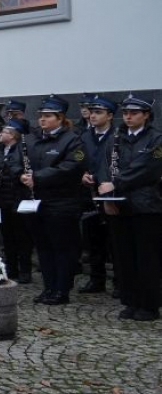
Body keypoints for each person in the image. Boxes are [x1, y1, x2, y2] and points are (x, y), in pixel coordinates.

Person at [97, 94, 162, 321]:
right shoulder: (117, 137)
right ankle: (131, 301)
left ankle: (149, 305)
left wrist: (116, 183)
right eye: (125, 113)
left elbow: (147, 169)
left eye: (134, 113)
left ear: (146, 115)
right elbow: (105, 167)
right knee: (124, 257)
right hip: (119, 205)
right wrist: (108, 195)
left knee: (146, 258)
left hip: (146, 206)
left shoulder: (156, 139)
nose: (128, 117)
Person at [23, 95, 85, 306]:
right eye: (40, 116)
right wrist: (20, 175)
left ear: (60, 118)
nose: (42, 120)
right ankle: (48, 287)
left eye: (48, 116)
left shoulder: (72, 139)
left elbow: (70, 167)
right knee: (43, 247)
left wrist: (37, 178)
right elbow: (18, 160)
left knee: (62, 248)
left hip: (61, 203)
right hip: (36, 202)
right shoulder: (32, 138)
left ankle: (62, 289)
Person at [0, 118, 34, 284]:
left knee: (22, 238)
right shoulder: (0, 150)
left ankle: (25, 271)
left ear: (13, 136)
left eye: (4, 132)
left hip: (18, 199)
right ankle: (11, 269)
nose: (0, 134)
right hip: (2, 200)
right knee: (7, 238)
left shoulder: (21, 150)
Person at [78, 96, 116, 294]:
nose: (93, 116)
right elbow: (79, 159)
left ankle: (119, 281)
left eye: (98, 112)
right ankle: (96, 279)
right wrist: (83, 174)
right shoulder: (85, 136)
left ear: (110, 116)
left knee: (114, 239)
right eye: (91, 112)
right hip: (89, 192)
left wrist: (103, 179)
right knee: (93, 240)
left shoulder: (117, 136)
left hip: (110, 191)